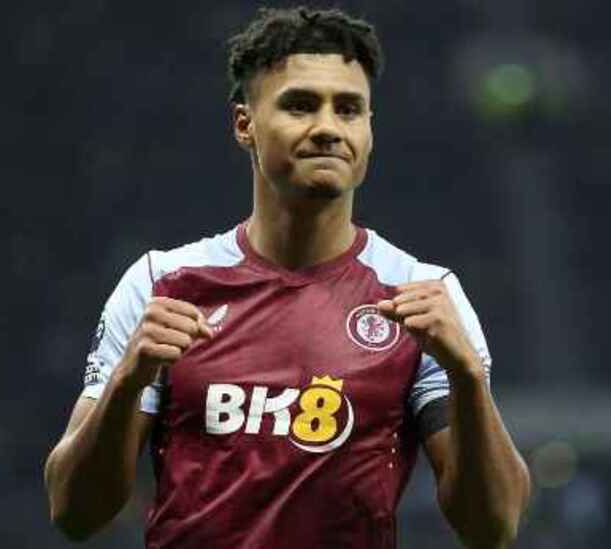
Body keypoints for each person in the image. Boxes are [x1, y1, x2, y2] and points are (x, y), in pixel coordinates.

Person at [43, 6, 530, 548]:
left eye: (348, 109)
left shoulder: (422, 293)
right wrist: (125, 385)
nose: (327, 127)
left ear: (369, 130)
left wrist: (468, 380)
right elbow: (73, 513)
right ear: (244, 125)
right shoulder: (163, 283)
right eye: (300, 105)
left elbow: (494, 529)